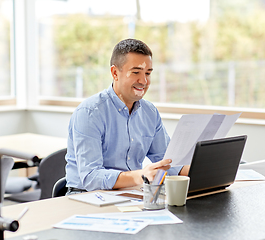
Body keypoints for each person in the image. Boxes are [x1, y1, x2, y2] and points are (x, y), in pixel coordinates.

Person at [65, 38, 189, 194]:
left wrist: (205, 170)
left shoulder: (150, 112)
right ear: (115, 73)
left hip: (130, 193)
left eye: (148, 73)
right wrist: (140, 175)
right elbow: (91, 178)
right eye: (136, 72)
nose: (143, 81)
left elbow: (168, 161)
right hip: (86, 195)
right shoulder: (89, 113)